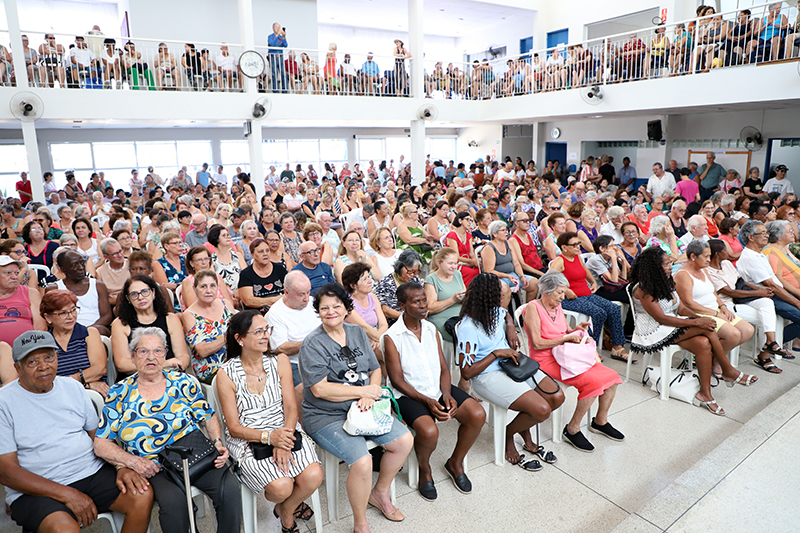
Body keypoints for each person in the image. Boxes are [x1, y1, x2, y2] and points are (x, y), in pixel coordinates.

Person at [0, 330, 154, 533]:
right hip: (38, 487)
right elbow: (7, 473)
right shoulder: (5, 402)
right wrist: (67, 494)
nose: (44, 366)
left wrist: (120, 466)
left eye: (49, 357)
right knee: (63, 530)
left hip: (90, 472)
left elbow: (98, 439)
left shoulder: (72, 387)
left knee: (141, 495)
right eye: (32, 362)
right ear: (17, 368)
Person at [94, 327, 242, 533]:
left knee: (230, 490)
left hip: (194, 455)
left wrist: (217, 442)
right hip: (153, 465)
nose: (151, 357)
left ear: (165, 354)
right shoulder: (119, 392)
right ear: (132, 355)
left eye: (158, 351)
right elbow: (101, 443)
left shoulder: (183, 382)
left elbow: (208, 416)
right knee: (174, 503)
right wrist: (133, 462)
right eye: (143, 351)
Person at [299, 283, 413, 530]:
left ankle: (379, 493)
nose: (331, 311)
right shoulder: (312, 343)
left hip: (363, 407)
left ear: (346, 307)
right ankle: (360, 522)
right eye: (324, 307)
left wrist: (370, 395)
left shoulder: (358, 332)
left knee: (404, 440)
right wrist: (362, 391)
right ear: (318, 311)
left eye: (336, 306)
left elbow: (374, 369)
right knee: (363, 462)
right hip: (325, 414)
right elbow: (320, 389)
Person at [216, 310, 323, 533]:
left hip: (286, 429)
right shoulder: (226, 373)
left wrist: (283, 439)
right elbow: (234, 428)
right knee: (281, 486)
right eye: (258, 332)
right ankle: (287, 508)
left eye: (267, 330)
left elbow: (291, 408)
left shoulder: (279, 361)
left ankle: (286, 511)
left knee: (313, 476)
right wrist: (269, 438)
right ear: (240, 339)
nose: (266, 336)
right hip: (249, 437)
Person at [383, 281, 485, 500]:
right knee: (429, 431)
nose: (423, 305)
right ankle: (425, 470)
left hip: (437, 388)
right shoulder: (392, 337)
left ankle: (455, 462)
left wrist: (446, 393)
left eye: (424, 300)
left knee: (477, 414)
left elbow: (444, 368)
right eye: (416, 301)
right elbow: (397, 381)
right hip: (407, 394)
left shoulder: (431, 329)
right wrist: (428, 401)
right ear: (402, 305)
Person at [629, 247, 753, 416]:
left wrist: (696, 317)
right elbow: (661, 319)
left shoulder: (665, 280)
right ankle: (728, 370)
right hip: (653, 330)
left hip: (671, 325)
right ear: (654, 267)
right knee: (707, 330)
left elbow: (679, 308)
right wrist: (698, 321)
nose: (669, 267)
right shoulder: (643, 288)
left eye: (670, 263)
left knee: (703, 342)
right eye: (666, 264)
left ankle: (705, 394)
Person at [457, 273, 564, 468]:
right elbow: (466, 372)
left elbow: (505, 314)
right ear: (487, 296)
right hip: (486, 375)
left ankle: (518, 429)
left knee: (557, 397)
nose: (503, 292)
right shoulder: (468, 327)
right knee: (541, 409)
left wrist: (510, 327)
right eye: (499, 291)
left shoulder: (497, 311)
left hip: (510, 364)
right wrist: (496, 354)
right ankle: (507, 434)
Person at [523, 271, 624, 452]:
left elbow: (566, 330)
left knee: (612, 377)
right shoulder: (533, 308)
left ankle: (600, 421)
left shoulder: (557, 306)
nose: (563, 297)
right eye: (559, 292)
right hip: (545, 360)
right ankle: (572, 428)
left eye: (564, 292)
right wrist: (565, 339)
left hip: (565, 355)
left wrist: (576, 330)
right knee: (593, 382)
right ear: (546, 290)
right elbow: (537, 344)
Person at [674, 240, 756, 372]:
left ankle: (713, 358)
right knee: (733, 334)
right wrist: (717, 314)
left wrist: (723, 307)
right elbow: (688, 303)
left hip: (715, 309)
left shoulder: (703, 270)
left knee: (747, 330)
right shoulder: (683, 274)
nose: (709, 260)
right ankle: (717, 362)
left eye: (709, 255)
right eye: (706, 256)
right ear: (693, 256)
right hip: (698, 314)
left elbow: (713, 292)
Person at [550, 232, 631, 362]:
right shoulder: (560, 260)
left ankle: (617, 346)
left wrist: (593, 281)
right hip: (571, 298)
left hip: (587, 294)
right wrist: (566, 290)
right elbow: (549, 279)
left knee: (614, 309)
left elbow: (584, 271)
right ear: (564, 247)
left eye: (579, 244)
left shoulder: (577, 257)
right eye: (574, 244)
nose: (578, 247)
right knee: (598, 313)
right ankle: (589, 347)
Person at [706, 239, 785, 371]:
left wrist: (758, 290)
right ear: (718, 254)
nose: (728, 252)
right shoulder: (709, 271)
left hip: (739, 301)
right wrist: (759, 292)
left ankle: (770, 341)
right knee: (766, 320)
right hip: (725, 305)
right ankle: (764, 356)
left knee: (766, 303)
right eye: (725, 250)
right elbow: (730, 292)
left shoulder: (726, 264)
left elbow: (741, 282)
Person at [111, 275, 190, 377]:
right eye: (134, 294)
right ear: (128, 299)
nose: (140, 297)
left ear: (153, 293)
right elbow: (122, 365)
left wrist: (174, 366)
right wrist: (164, 364)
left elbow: (183, 356)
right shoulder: (120, 324)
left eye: (144, 291)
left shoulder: (171, 319)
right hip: (136, 378)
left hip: (170, 375)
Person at [41, 289, 109, 396]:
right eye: (63, 313)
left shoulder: (89, 333)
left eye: (73, 310)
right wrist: (86, 384)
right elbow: (45, 380)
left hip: (92, 395)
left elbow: (100, 369)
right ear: (48, 317)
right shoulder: (44, 343)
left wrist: (68, 381)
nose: (70, 316)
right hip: (58, 396)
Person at [181, 270, 233, 384]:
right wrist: (228, 336)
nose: (209, 291)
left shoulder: (226, 304)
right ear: (195, 290)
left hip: (234, 359)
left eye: (212, 286)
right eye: (203, 286)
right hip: (210, 368)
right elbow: (203, 351)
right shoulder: (190, 315)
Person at [51, 250, 112, 336]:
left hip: (95, 329)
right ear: (63, 269)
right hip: (66, 330)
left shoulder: (98, 285)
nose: (81, 267)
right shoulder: (55, 289)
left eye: (82, 263)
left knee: (101, 330)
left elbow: (107, 316)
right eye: (75, 265)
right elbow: (53, 318)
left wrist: (86, 331)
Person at [480, 221, 538, 302]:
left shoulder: (508, 243)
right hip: (497, 278)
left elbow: (516, 263)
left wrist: (522, 276)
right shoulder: (489, 248)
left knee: (534, 283)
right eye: (503, 230)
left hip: (512, 275)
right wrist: (507, 276)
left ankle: (526, 309)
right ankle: (503, 313)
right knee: (505, 290)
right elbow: (489, 271)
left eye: (506, 230)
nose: (506, 232)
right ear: (495, 234)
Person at [374, 249, 423, 322]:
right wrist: (408, 317)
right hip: (394, 323)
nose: (412, 275)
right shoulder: (386, 283)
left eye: (415, 272)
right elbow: (385, 310)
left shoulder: (415, 281)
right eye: (410, 271)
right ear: (401, 266)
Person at [209, 224, 246, 298]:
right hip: (223, 295)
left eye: (228, 235)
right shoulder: (211, 260)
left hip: (242, 292)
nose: (228, 237)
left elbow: (247, 275)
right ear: (216, 239)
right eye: (224, 235)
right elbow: (213, 281)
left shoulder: (238, 255)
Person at [95, 237, 130, 308]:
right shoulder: (100, 272)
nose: (120, 255)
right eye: (115, 254)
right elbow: (102, 298)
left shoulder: (132, 264)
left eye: (120, 251)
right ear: (106, 257)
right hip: (113, 305)